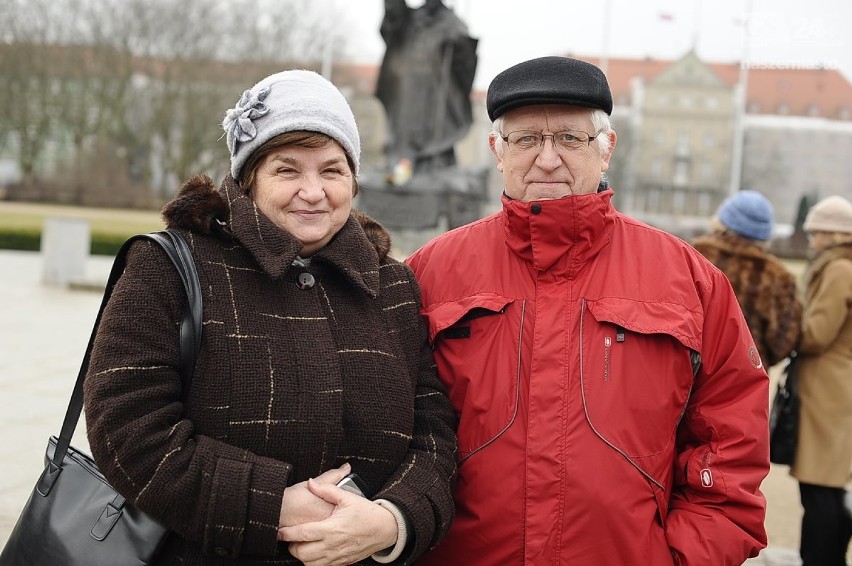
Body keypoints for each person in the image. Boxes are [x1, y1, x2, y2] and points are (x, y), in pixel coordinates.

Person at [83, 69, 457, 565]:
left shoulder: (392, 285)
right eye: (287, 170)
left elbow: (434, 435)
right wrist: (271, 506)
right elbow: (126, 425)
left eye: (332, 170)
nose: (313, 191)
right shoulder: (172, 266)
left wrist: (392, 521)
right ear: (249, 178)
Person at [406, 56, 770, 565]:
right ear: (497, 150)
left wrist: (686, 558)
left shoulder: (688, 280)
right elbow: (389, 428)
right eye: (527, 139)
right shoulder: (430, 274)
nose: (548, 159)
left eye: (570, 140)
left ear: (606, 150)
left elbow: (731, 441)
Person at [790, 195, 852, 565]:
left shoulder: (839, 269)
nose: (811, 242)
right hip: (834, 385)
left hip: (828, 389)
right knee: (823, 486)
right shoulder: (841, 266)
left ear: (833, 234)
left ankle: (821, 559)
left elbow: (816, 334)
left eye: (815, 234)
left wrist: (784, 328)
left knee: (820, 487)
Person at [692, 190, 802, 368]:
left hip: (689, 369)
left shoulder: (693, 257)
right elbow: (783, 341)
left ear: (722, 221)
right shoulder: (778, 277)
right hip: (747, 376)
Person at [375, 0, 477, 173]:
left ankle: (434, 165)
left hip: (436, 94)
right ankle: (400, 169)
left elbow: (465, 67)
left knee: (436, 137)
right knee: (403, 134)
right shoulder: (408, 20)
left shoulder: (452, 23)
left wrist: (460, 45)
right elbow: (392, 23)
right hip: (406, 91)